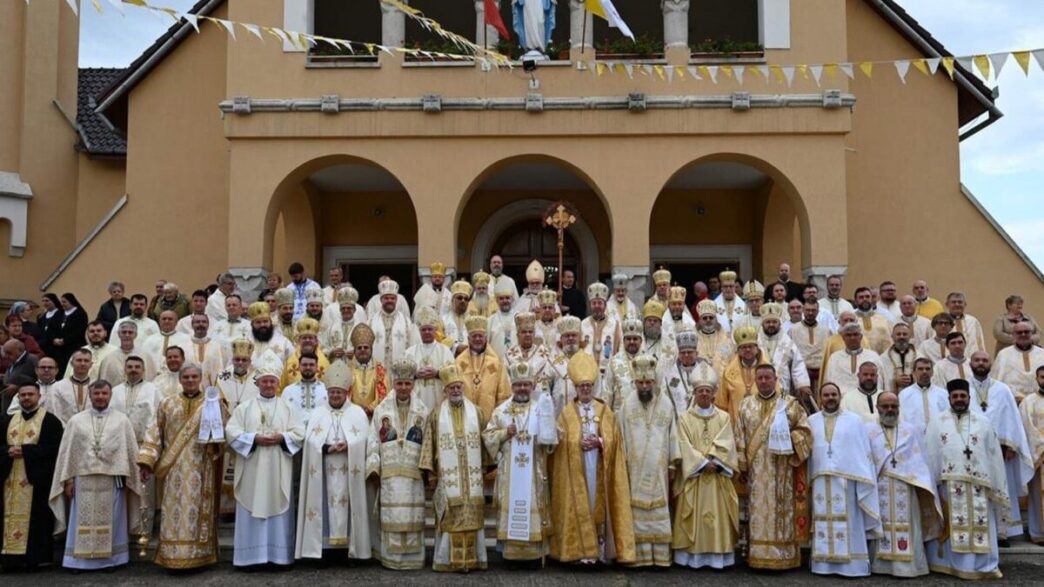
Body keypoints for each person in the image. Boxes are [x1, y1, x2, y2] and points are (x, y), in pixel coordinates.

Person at [138, 364, 229, 570]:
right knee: (173, 512)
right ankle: (171, 555)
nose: (190, 380)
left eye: (194, 377)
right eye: (186, 377)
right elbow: (154, 434)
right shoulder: (167, 404)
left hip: (202, 468)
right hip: (173, 469)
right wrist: (146, 461)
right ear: (180, 379)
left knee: (197, 512)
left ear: (200, 379)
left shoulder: (213, 403)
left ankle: (201, 555)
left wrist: (217, 443)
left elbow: (226, 431)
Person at [549, 352, 635, 565]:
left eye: (588, 386)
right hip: (575, 470)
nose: (585, 390)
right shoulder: (567, 413)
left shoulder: (604, 410)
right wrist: (576, 443)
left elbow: (615, 440)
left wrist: (600, 442)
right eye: (581, 386)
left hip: (599, 466)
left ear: (593, 386)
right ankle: (579, 552)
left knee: (597, 504)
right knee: (580, 503)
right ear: (576, 388)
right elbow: (559, 443)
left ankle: (601, 552)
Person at [48, 380, 142, 571]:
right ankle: (78, 561)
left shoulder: (122, 420)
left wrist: (130, 477)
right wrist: (67, 480)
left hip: (113, 478)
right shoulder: (76, 421)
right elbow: (68, 454)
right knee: (79, 519)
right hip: (82, 479)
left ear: (110, 395)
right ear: (90, 396)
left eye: (104, 393)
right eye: (96, 393)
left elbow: (130, 452)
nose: (100, 397)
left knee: (114, 519)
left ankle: (112, 560)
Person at [925, 379, 1009, 580]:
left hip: (979, 484)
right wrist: (933, 482)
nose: (959, 399)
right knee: (952, 523)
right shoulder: (937, 421)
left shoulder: (983, 422)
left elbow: (993, 454)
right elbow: (931, 452)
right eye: (955, 396)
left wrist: (996, 483)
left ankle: (981, 565)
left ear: (969, 398)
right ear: (949, 398)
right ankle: (948, 565)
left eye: (963, 396)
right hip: (948, 483)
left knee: (978, 523)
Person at [226, 354, 304, 568]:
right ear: (258, 382)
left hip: (278, 468)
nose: (268, 384)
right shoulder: (245, 408)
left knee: (278, 507)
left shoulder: (288, 407)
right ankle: (250, 558)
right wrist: (254, 439)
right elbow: (231, 432)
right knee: (251, 507)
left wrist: (282, 438)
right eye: (265, 381)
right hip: (253, 468)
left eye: (272, 381)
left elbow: (299, 432)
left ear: (278, 383)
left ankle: (278, 558)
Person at [734, 364, 812, 570]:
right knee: (758, 511)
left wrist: (789, 438)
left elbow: (805, 431)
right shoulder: (746, 405)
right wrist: (742, 463)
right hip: (757, 472)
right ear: (756, 380)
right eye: (760, 378)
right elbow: (739, 435)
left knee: (782, 510)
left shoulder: (789, 404)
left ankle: (784, 556)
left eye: (768, 377)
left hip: (782, 470)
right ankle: (757, 556)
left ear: (776, 378)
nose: (763, 381)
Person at [483, 361, 558, 563]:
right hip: (510, 472)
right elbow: (488, 436)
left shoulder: (541, 409)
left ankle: (533, 556)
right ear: (512, 386)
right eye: (518, 385)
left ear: (532, 386)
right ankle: (510, 556)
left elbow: (552, 439)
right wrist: (503, 433)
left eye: (526, 384)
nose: (522, 388)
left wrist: (547, 436)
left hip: (534, 471)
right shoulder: (501, 411)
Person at [419, 364, 490, 572]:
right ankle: (448, 560)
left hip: (472, 479)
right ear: (445, 391)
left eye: (459, 387)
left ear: (463, 388)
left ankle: (473, 560)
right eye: (452, 388)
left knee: (473, 516)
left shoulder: (476, 413)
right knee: (450, 518)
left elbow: (485, 445)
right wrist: (432, 477)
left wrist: (485, 469)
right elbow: (429, 446)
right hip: (448, 479)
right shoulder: (435, 415)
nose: (456, 391)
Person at [866, 391, 943, 577]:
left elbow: (921, 460)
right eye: (885, 406)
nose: (890, 410)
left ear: (899, 408)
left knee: (909, 525)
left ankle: (909, 567)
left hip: (906, 486)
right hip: (880, 485)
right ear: (877, 408)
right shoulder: (868, 430)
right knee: (881, 525)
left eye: (894, 406)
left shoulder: (911, 429)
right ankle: (880, 566)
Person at [671, 361, 739, 569]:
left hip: (717, 477)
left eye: (707, 391)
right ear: (694, 393)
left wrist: (715, 462)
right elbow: (683, 443)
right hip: (695, 477)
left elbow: (727, 441)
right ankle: (691, 556)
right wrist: (701, 463)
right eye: (700, 391)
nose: (703, 395)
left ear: (713, 394)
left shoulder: (724, 417)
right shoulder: (684, 419)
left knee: (717, 516)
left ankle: (718, 557)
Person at [808, 383, 880, 576]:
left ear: (840, 396)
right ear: (820, 397)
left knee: (851, 521)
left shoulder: (854, 420)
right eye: (826, 395)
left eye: (834, 394)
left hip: (847, 480)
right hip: (821, 479)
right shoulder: (811, 421)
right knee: (821, 519)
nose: (830, 398)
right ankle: (823, 564)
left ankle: (853, 567)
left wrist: (863, 477)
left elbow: (862, 450)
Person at [366, 359, 428, 569]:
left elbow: (428, 442)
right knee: (392, 514)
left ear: (413, 385)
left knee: (412, 514)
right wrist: (374, 467)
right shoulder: (381, 409)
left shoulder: (423, 410)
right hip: (390, 473)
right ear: (394, 383)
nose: (403, 388)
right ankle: (391, 559)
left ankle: (413, 559)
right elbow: (373, 440)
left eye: (407, 384)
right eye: (399, 383)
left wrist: (428, 468)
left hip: (413, 472)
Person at [618, 355, 680, 567]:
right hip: (634, 469)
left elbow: (673, 435)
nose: (644, 386)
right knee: (637, 512)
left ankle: (660, 557)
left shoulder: (666, 405)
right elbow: (621, 436)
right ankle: (640, 557)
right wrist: (622, 464)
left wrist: (673, 463)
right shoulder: (627, 404)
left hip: (659, 470)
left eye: (648, 382)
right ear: (634, 382)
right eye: (640, 382)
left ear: (654, 382)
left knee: (659, 510)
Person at [969, 351, 1035, 543]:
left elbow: (1011, 418)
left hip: (1000, 450)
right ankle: (980, 528)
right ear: (971, 363)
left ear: (991, 364)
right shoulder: (964, 387)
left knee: (1001, 488)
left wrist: (1012, 445)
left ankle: (1002, 531)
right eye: (977, 360)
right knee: (978, 489)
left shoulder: (1002, 389)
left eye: (985, 360)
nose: (981, 363)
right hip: (972, 449)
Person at [0, 383, 63, 571]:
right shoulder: (6, 420)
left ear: (39, 396)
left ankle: (35, 559)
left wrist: (26, 450)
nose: (26, 398)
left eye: (30, 394)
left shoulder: (50, 421)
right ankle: (9, 560)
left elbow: (55, 449)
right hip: (9, 479)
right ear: (18, 398)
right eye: (22, 395)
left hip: (36, 480)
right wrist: (7, 451)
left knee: (38, 519)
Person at [505, 311, 560, 416]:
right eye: (524, 332)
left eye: (530, 332)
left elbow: (554, 380)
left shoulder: (546, 353)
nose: (527, 335)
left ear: (534, 334)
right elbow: (506, 382)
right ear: (517, 335)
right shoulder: (509, 356)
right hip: (516, 404)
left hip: (541, 404)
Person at [456, 315, 511, 419]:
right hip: (465, 419)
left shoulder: (496, 363)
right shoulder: (459, 363)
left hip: (490, 420)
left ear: (486, 338)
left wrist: (498, 419)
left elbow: (503, 395)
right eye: (474, 336)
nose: (477, 339)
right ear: (468, 339)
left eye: (480, 336)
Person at [756, 303, 812, 403]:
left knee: (782, 411)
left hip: (783, 388)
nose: (771, 325)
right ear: (762, 324)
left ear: (780, 323)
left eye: (774, 322)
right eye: (768, 322)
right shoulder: (755, 342)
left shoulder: (787, 342)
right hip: (759, 386)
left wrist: (802, 384)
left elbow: (797, 364)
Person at [404, 307, 455, 411]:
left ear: (435, 330)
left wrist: (437, 373)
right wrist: (415, 375)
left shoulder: (445, 351)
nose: (427, 332)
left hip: (438, 398)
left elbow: (453, 375)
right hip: (417, 400)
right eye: (423, 329)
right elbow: (401, 377)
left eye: (429, 329)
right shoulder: (410, 352)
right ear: (419, 331)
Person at [1018, 366, 1044, 544]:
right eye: (1043, 377)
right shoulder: (1028, 402)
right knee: (1038, 494)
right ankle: (1039, 532)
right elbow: (1026, 426)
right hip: (1040, 457)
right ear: (1037, 378)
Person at [823, 323, 883, 396]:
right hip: (841, 401)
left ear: (861, 337)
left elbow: (880, 382)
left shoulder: (873, 356)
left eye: (855, 334)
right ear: (843, 338)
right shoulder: (835, 358)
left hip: (867, 398)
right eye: (848, 335)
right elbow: (829, 381)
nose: (852, 338)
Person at [369, 280, 418, 367]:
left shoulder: (406, 322)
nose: (389, 301)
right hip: (377, 370)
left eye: (392, 298)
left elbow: (413, 346)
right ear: (381, 300)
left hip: (400, 371)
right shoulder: (371, 322)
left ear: (396, 300)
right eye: (386, 298)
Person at [992, 321, 1044, 401]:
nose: (1023, 335)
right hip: (1013, 402)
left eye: (1026, 332)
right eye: (1019, 332)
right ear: (1013, 335)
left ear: (1031, 334)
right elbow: (996, 381)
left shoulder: (1042, 353)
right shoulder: (1003, 354)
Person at [717, 326, 762, 420]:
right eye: (744, 347)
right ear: (738, 351)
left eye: (750, 346)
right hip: (736, 424)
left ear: (757, 349)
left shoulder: (767, 371)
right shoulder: (728, 373)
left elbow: (777, 397)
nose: (747, 350)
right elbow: (721, 404)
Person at [601, 318, 645, 412]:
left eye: (635, 339)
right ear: (623, 341)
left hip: (643, 418)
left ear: (641, 341)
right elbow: (607, 392)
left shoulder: (649, 361)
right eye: (628, 339)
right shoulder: (613, 362)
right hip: (619, 417)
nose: (632, 342)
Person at [346, 324, 389, 417]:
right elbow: (344, 396)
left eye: (366, 347)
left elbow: (385, 396)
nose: (362, 350)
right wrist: (356, 410)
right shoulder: (347, 371)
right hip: (352, 417)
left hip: (374, 417)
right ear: (354, 351)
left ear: (371, 349)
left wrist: (370, 408)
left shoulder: (380, 371)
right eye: (359, 348)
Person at [898, 358, 949, 433]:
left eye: (927, 369)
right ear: (914, 372)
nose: (924, 371)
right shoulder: (904, 395)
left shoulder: (943, 394)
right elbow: (901, 419)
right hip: (914, 438)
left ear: (932, 372)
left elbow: (948, 418)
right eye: (920, 369)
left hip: (939, 436)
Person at [98, 321, 156, 386]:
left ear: (135, 335)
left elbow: (151, 381)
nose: (127, 335)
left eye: (130, 332)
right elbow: (103, 384)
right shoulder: (109, 359)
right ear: (119, 334)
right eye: (124, 332)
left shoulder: (145, 357)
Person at [789, 301, 831, 386]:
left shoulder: (826, 331)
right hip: (801, 373)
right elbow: (789, 354)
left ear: (818, 311)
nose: (810, 313)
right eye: (808, 310)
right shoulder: (793, 330)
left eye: (813, 310)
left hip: (821, 373)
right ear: (803, 311)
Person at [281, 353, 328, 427]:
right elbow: (282, 416)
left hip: (320, 434)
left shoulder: (326, 390)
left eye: (311, 365)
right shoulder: (288, 391)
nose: (308, 367)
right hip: (294, 435)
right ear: (299, 367)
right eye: (304, 365)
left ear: (317, 367)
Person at [50, 347, 94, 424]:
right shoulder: (58, 387)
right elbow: (55, 412)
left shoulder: (97, 386)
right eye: (79, 360)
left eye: (86, 361)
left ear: (91, 364)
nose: (82, 364)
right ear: (71, 363)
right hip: (66, 430)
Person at [692, 299, 734, 377]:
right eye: (705, 318)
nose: (708, 320)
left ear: (716, 319)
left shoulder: (727, 339)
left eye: (711, 317)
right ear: (700, 320)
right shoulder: (692, 339)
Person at [54, 293, 89, 376]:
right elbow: (53, 327)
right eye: (61, 302)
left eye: (64, 302)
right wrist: (54, 339)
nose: (62, 304)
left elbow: (79, 330)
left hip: (74, 346)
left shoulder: (80, 314)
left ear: (71, 302)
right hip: (59, 348)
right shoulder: (59, 313)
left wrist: (65, 340)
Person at [2, 340, 37, 415]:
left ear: (20, 350)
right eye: (5, 353)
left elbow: (39, 382)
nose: (6, 356)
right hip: (7, 404)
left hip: (22, 408)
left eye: (9, 352)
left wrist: (18, 388)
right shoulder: (13, 361)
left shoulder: (32, 360)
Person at [853, 286, 892, 354]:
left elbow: (889, 340)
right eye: (861, 297)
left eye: (867, 297)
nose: (865, 299)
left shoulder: (882, 319)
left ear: (871, 299)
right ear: (856, 301)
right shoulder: (851, 320)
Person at [881, 323, 917, 393]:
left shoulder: (919, 356)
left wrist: (912, 379)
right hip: (892, 398)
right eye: (898, 334)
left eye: (904, 334)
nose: (901, 337)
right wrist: (895, 381)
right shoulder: (883, 358)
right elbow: (881, 380)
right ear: (892, 336)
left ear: (910, 336)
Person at [488, 279, 518, 359]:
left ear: (512, 299)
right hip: (496, 363)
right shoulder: (490, 320)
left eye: (507, 298)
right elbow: (486, 344)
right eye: (501, 298)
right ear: (497, 300)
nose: (505, 301)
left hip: (517, 363)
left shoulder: (519, 318)